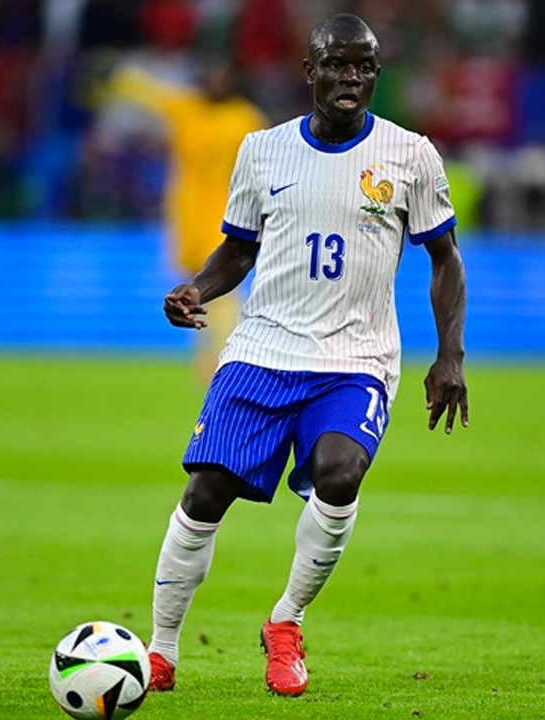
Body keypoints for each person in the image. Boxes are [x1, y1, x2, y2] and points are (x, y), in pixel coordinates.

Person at [146, 13, 468, 697]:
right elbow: (238, 250)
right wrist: (196, 289)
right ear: (309, 72)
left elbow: (445, 259)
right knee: (206, 492)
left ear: (375, 75)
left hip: (357, 357)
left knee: (340, 473)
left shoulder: (411, 155)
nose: (350, 78)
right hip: (263, 348)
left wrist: (451, 356)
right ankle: (161, 650)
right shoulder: (262, 151)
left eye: (363, 67)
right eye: (336, 65)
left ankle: (286, 621)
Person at [109, 60, 268, 382]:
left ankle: (230, 354)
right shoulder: (188, 109)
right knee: (194, 287)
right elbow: (149, 93)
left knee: (222, 285)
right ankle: (207, 357)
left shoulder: (245, 119)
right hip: (186, 214)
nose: (216, 83)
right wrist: (120, 75)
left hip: (227, 213)